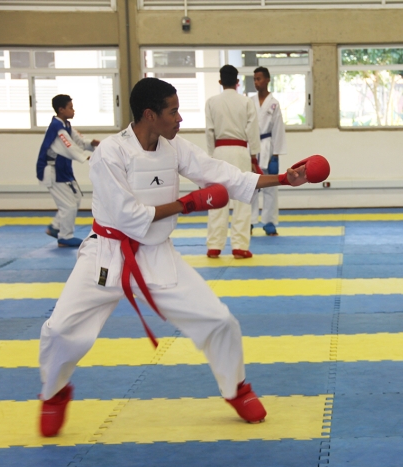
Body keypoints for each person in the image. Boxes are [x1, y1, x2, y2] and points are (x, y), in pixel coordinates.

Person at [38, 77, 329, 437]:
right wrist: (189, 203)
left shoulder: (174, 148)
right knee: (59, 330)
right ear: (150, 114)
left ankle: (236, 388)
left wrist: (285, 178)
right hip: (106, 254)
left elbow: (224, 175)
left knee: (219, 319)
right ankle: (53, 394)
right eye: (173, 111)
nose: (180, 119)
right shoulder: (110, 153)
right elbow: (130, 216)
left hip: (157, 254)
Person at [205, 65, 261, 259]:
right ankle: (239, 246)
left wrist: (211, 156)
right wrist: (254, 156)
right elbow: (253, 130)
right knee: (242, 199)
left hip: (219, 152)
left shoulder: (211, 102)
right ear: (237, 82)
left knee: (217, 198)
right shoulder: (246, 102)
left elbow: (210, 131)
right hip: (240, 152)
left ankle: (214, 246)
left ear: (220, 81)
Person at [36, 94, 99, 247]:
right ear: (61, 109)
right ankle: (65, 236)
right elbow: (69, 147)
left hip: (63, 170)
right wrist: (86, 157)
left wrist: (91, 143)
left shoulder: (66, 125)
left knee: (75, 197)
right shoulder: (57, 128)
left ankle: (56, 227)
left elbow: (77, 141)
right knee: (68, 205)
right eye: (70, 107)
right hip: (52, 172)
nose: (73, 110)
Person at [249, 66, 287, 236]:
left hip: (268, 147)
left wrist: (276, 155)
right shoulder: (249, 102)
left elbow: (278, 129)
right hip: (251, 148)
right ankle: (248, 221)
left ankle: (269, 223)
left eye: (259, 79)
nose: (257, 82)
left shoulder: (274, 104)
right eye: (255, 79)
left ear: (267, 80)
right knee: (250, 187)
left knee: (270, 188)